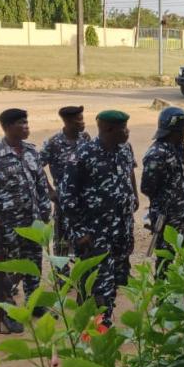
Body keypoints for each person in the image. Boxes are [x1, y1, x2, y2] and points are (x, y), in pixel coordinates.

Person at [0, 108, 51, 334]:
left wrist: (45, 213)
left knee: (33, 265)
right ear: (7, 127)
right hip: (5, 227)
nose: (26, 127)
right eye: (20, 123)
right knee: (7, 271)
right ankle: (8, 313)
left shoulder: (31, 152)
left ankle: (35, 305)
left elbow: (41, 185)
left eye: (27, 122)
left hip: (32, 224)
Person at [60, 110, 138, 322]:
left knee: (113, 281)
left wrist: (133, 198)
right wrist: (79, 232)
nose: (127, 131)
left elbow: (130, 172)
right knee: (98, 284)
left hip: (121, 229)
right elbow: (67, 197)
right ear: (108, 129)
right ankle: (98, 330)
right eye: (123, 128)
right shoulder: (83, 155)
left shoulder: (125, 149)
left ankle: (95, 322)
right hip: (95, 234)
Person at [141, 107, 184, 279]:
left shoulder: (178, 146)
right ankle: (162, 296)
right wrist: (167, 198)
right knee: (166, 257)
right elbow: (147, 187)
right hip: (166, 216)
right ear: (176, 130)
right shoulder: (156, 154)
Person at [40, 106, 91, 264]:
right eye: (79, 120)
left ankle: (83, 270)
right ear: (68, 121)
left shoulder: (86, 138)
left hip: (85, 198)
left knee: (84, 236)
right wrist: (49, 190)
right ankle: (63, 279)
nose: (83, 122)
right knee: (62, 239)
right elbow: (36, 166)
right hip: (64, 199)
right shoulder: (53, 143)